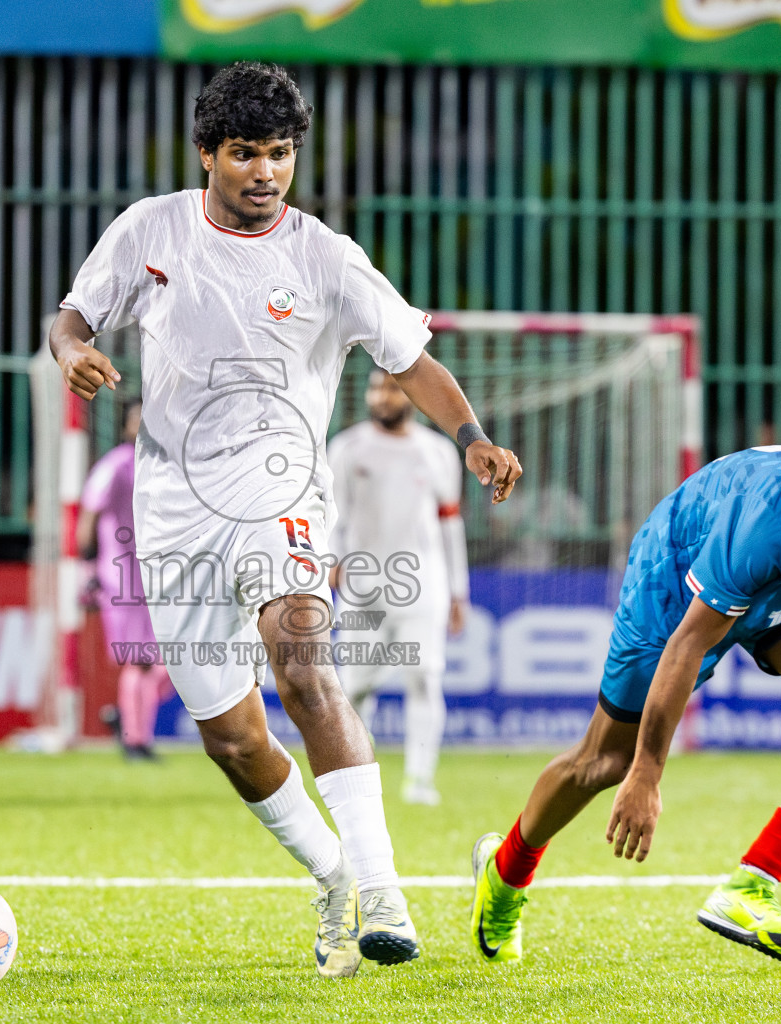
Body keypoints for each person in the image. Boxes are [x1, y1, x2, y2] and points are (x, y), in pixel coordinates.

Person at [49, 61, 521, 978]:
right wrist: (74, 351)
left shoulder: (327, 258)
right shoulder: (149, 231)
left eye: (279, 154)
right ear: (207, 155)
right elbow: (73, 318)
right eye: (244, 153)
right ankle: (335, 875)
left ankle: (383, 890)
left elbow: (412, 357)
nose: (264, 172)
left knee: (302, 660)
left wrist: (470, 436)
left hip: (282, 493)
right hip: (174, 513)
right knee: (231, 738)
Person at [468, 423, 781, 966]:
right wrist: (647, 773)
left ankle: (750, 888)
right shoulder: (778, 519)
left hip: (779, 576)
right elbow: (688, 644)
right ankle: (505, 872)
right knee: (606, 762)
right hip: (681, 562)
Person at [328, 368, 468, 806]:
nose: (381, 397)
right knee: (355, 688)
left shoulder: (439, 452)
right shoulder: (347, 448)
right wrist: (331, 563)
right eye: (375, 388)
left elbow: (449, 524)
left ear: (408, 394)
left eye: (390, 387)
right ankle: (357, 778)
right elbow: (333, 516)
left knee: (425, 679)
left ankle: (419, 781)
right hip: (362, 584)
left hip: (424, 583)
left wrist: (458, 590)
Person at [77, 399, 174, 760]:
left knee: (173, 660)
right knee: (142, 659)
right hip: (122, 578)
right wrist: (87, 571)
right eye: (138, 417)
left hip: (160, 575)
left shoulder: (165, 466)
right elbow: (89, 516)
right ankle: (136, 740)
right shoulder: (117, 464)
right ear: (126, 424)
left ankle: (126, 718)